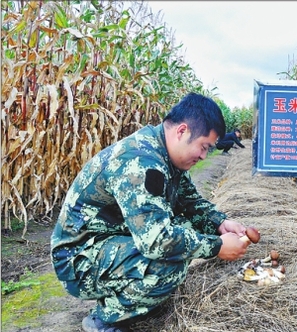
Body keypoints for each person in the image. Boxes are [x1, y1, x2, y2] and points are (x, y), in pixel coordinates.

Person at [50, 93, 251, 332]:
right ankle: (105, 319)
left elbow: (190, 202)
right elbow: (156, 241)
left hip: (109, 242)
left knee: (185, 232)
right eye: (204, 147)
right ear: (182, 131)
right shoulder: (141, 160)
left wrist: (220, 223)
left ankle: (137, 296)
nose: (204, 156)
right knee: (168, 263)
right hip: (77, 259)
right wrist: (217, 246)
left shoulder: (164, 154)